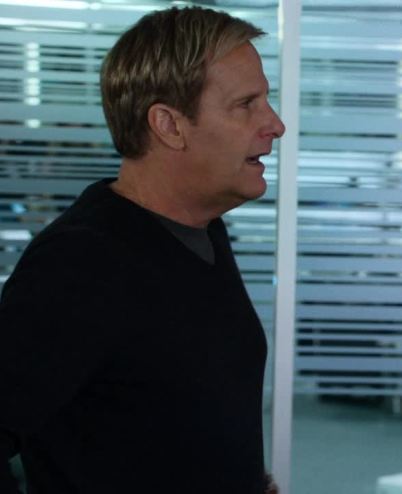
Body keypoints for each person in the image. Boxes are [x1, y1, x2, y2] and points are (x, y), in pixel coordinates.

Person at [0, 6, 285, 493]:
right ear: (169, 125)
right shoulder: (82, 263)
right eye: (246, 104)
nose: (275, 124)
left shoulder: (201, 229)